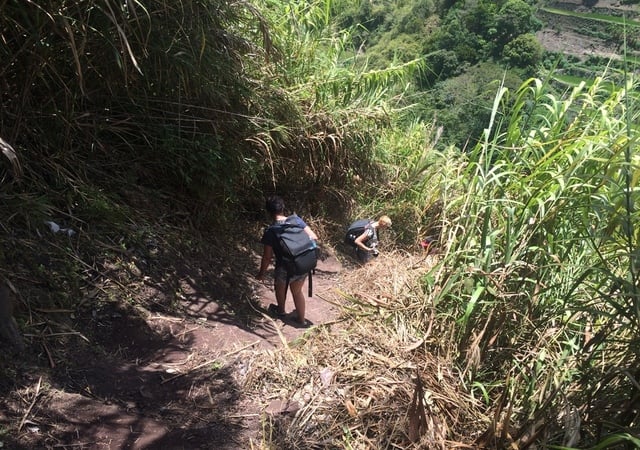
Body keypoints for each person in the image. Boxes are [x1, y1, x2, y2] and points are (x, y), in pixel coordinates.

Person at [256, 195, 318, 326]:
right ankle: (301, 320)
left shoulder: (271, 231)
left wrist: (261, 273)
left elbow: (267, 257)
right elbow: (314, 237)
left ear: (268, 212)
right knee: (297, 291)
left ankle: (281, 311)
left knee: (280, 287)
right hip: (303, 263)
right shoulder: (296, 220)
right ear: (283, 208)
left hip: (284, 266)